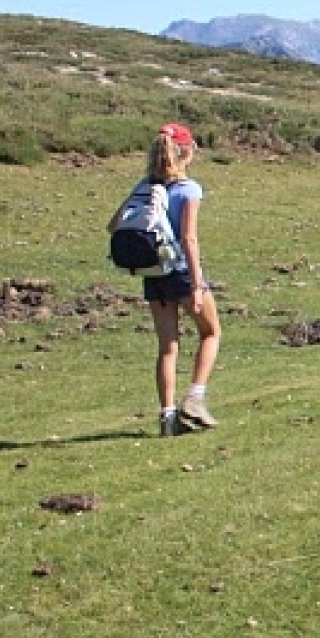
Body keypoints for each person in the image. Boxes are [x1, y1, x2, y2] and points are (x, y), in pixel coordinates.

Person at [110, 123, 220, 436]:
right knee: (211, 332)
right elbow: (189, 238)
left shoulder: (144, 186)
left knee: (167, 347)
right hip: (181, 271)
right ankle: (195, 398)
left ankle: (167, 418)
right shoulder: (189, 190)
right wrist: (198, 284)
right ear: (185, 153)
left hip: (152, 272)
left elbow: (114, 225)